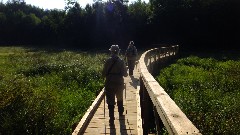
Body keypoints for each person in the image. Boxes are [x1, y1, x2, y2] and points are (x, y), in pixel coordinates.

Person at [102, 45, 128, 126]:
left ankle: (111, 119)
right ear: (118, 51)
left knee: (110, 101)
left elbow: (103, 74)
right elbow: (125, 74)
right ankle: (120, 112)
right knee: (120, 97)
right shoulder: (121, 61)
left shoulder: (108, 61)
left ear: (111, 51)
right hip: (119, 82)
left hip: (109, 82)